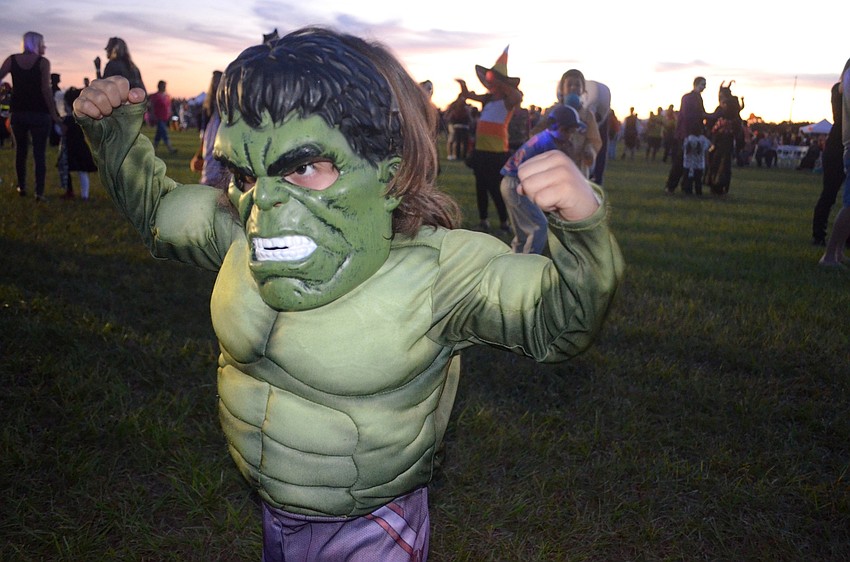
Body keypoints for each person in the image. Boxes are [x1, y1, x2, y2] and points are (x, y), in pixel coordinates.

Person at [73, 27, 623, 561]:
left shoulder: (438, 275)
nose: (264, 201)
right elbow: (159, 213)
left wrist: (581, 230)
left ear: (389, 174)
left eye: (304, 167)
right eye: (245, 174)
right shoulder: (239, 232)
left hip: (374, 525)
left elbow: (557, 324)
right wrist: (114, 134)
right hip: (274, 511)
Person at [500, 104, 586, 254]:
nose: (570, 136)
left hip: (511, 182)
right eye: (567, 131)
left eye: (572, 132)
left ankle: (516, 260)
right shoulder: (548, 145)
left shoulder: (543, 138)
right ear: (556, 127)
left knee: (524, 232)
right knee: (539, 227)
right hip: (517, 185)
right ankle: (529, 262)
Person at [456, 47, 523, 232]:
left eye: (492, 79)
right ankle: (483, 220)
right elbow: (468, 96)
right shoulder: (487, 99)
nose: (489, 82)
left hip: (497, 152)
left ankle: (504, 222)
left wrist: (503, 84)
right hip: (481, 151)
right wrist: (463, 86)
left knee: (496, 188)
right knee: (481, 186)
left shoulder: (508, 101)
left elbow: (518, 96)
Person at [0, 31, 64, 201]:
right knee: (39, 154)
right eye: (43, 43)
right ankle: (39, 192)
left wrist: (3, 92)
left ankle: (21, 187)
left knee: (20, 152)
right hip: (40, 113)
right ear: (37, 44)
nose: (45, 47)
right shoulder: (43, 62)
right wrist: (54, 114)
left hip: (18, 112)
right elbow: (45, 90)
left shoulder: (12, 60)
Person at [819, 58, 850, 267]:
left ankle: (837, 252)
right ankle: (830, 255)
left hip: (844, 143)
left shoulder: (842, 83)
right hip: (844, 144)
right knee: (848, 203)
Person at [812, 80, 846, 246]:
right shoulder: (839, 90)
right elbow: (840, 117)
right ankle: (818, 234)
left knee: (835, 196)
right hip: (837, 148)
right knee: (829, 194)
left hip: (839, 146)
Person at [664, 76, 712, 194]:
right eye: (702, 84)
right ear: (696, 84)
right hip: (686, 134)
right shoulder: (688, 98)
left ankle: (685, 185)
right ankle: (672, 186)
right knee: (681, 161)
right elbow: (687, 116)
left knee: (689, 161)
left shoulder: (697, 98)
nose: (704, 87)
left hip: (693, 133)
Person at [704, 81, 744, 196]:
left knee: (717, 162)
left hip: (721, 138)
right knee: (724, 163)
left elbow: (713, 118)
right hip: (727, 138)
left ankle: (716, 185)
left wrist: (702, 115)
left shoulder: (725, 106)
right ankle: (721, 186)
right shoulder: (733, 105)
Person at [190, 70, 226, 187]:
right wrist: (199, 154)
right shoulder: (208, 107)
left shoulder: (226, 106)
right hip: (211, 142)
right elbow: (204, 133)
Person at [59, 87, 97, 200]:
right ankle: (85, 195)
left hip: (69, 148)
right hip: (81, 147)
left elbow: (61, 131)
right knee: (82, 171)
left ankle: (69, 191)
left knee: (66, 169)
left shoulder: (67, 119)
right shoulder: (81, 118)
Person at [148, 80, 176, 153]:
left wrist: (170, 114)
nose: (164, 87)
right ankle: (170, 148)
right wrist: (152, 115)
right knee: (164, 132)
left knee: (159, 134)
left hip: (165, 117)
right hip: (158, 117)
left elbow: (169, 106)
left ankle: (153, 148)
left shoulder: (167, 96)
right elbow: (152, 106)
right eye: (163, 85)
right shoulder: (155, 96)